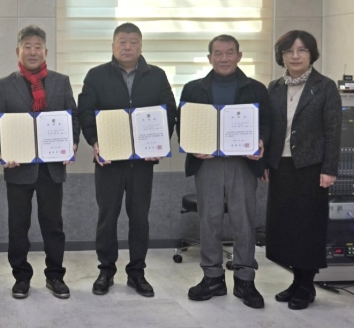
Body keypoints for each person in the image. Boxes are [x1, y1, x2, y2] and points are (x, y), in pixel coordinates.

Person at [78, 22, 176, 298]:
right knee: (107, 218)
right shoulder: (96, 75)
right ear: (113, 46)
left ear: (141, 46)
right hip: (109, 162)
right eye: (122, 42)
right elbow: (85, 111)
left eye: (133, 42)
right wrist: (94, 142)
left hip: (142, 163)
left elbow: (169, 111)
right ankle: (106, 271)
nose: (127, 47)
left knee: (140, 218)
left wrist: (160, 142)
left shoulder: (156, 75)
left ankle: (137, 273)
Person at [179, 34, 271, 309]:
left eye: (230, 52)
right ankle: (212, 278)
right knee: (210, 220)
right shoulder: (193, 88)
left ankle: (245, 279)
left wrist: (261, 142)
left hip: (242, 163)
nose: (224, 58)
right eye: (218, 53)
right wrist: (192, 146)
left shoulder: (256, 89)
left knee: (244, 220)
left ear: (239, 56)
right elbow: (182, 123)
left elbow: (267, 123)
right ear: (209, 58)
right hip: (207, 163)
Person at [0, 25, 79, 300]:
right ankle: (21, 277)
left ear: (45, 51)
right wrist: (1, 150)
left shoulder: (61, 82)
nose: (32, 51)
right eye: (27, 47)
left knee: (53, 225)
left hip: (51, 169)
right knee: (18, 226)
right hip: (19, 168)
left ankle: (55, 276)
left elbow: (72, 117)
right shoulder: (5, 85)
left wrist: (72, 143)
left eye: (37, 47)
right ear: (18, 51)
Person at [264, 30, 341, 310]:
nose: (295, 56)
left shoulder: (325, 86)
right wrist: (265, 163)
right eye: (288, 51)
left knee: (308, 227)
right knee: (286, 227)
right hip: (281, 166)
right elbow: (270, 129)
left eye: (302, 50)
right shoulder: (274, 87)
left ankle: (307, 286)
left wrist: (329, 169)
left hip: (311, 168)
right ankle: (296, 281)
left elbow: (333, 131)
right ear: (281, 56)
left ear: (312, 54)